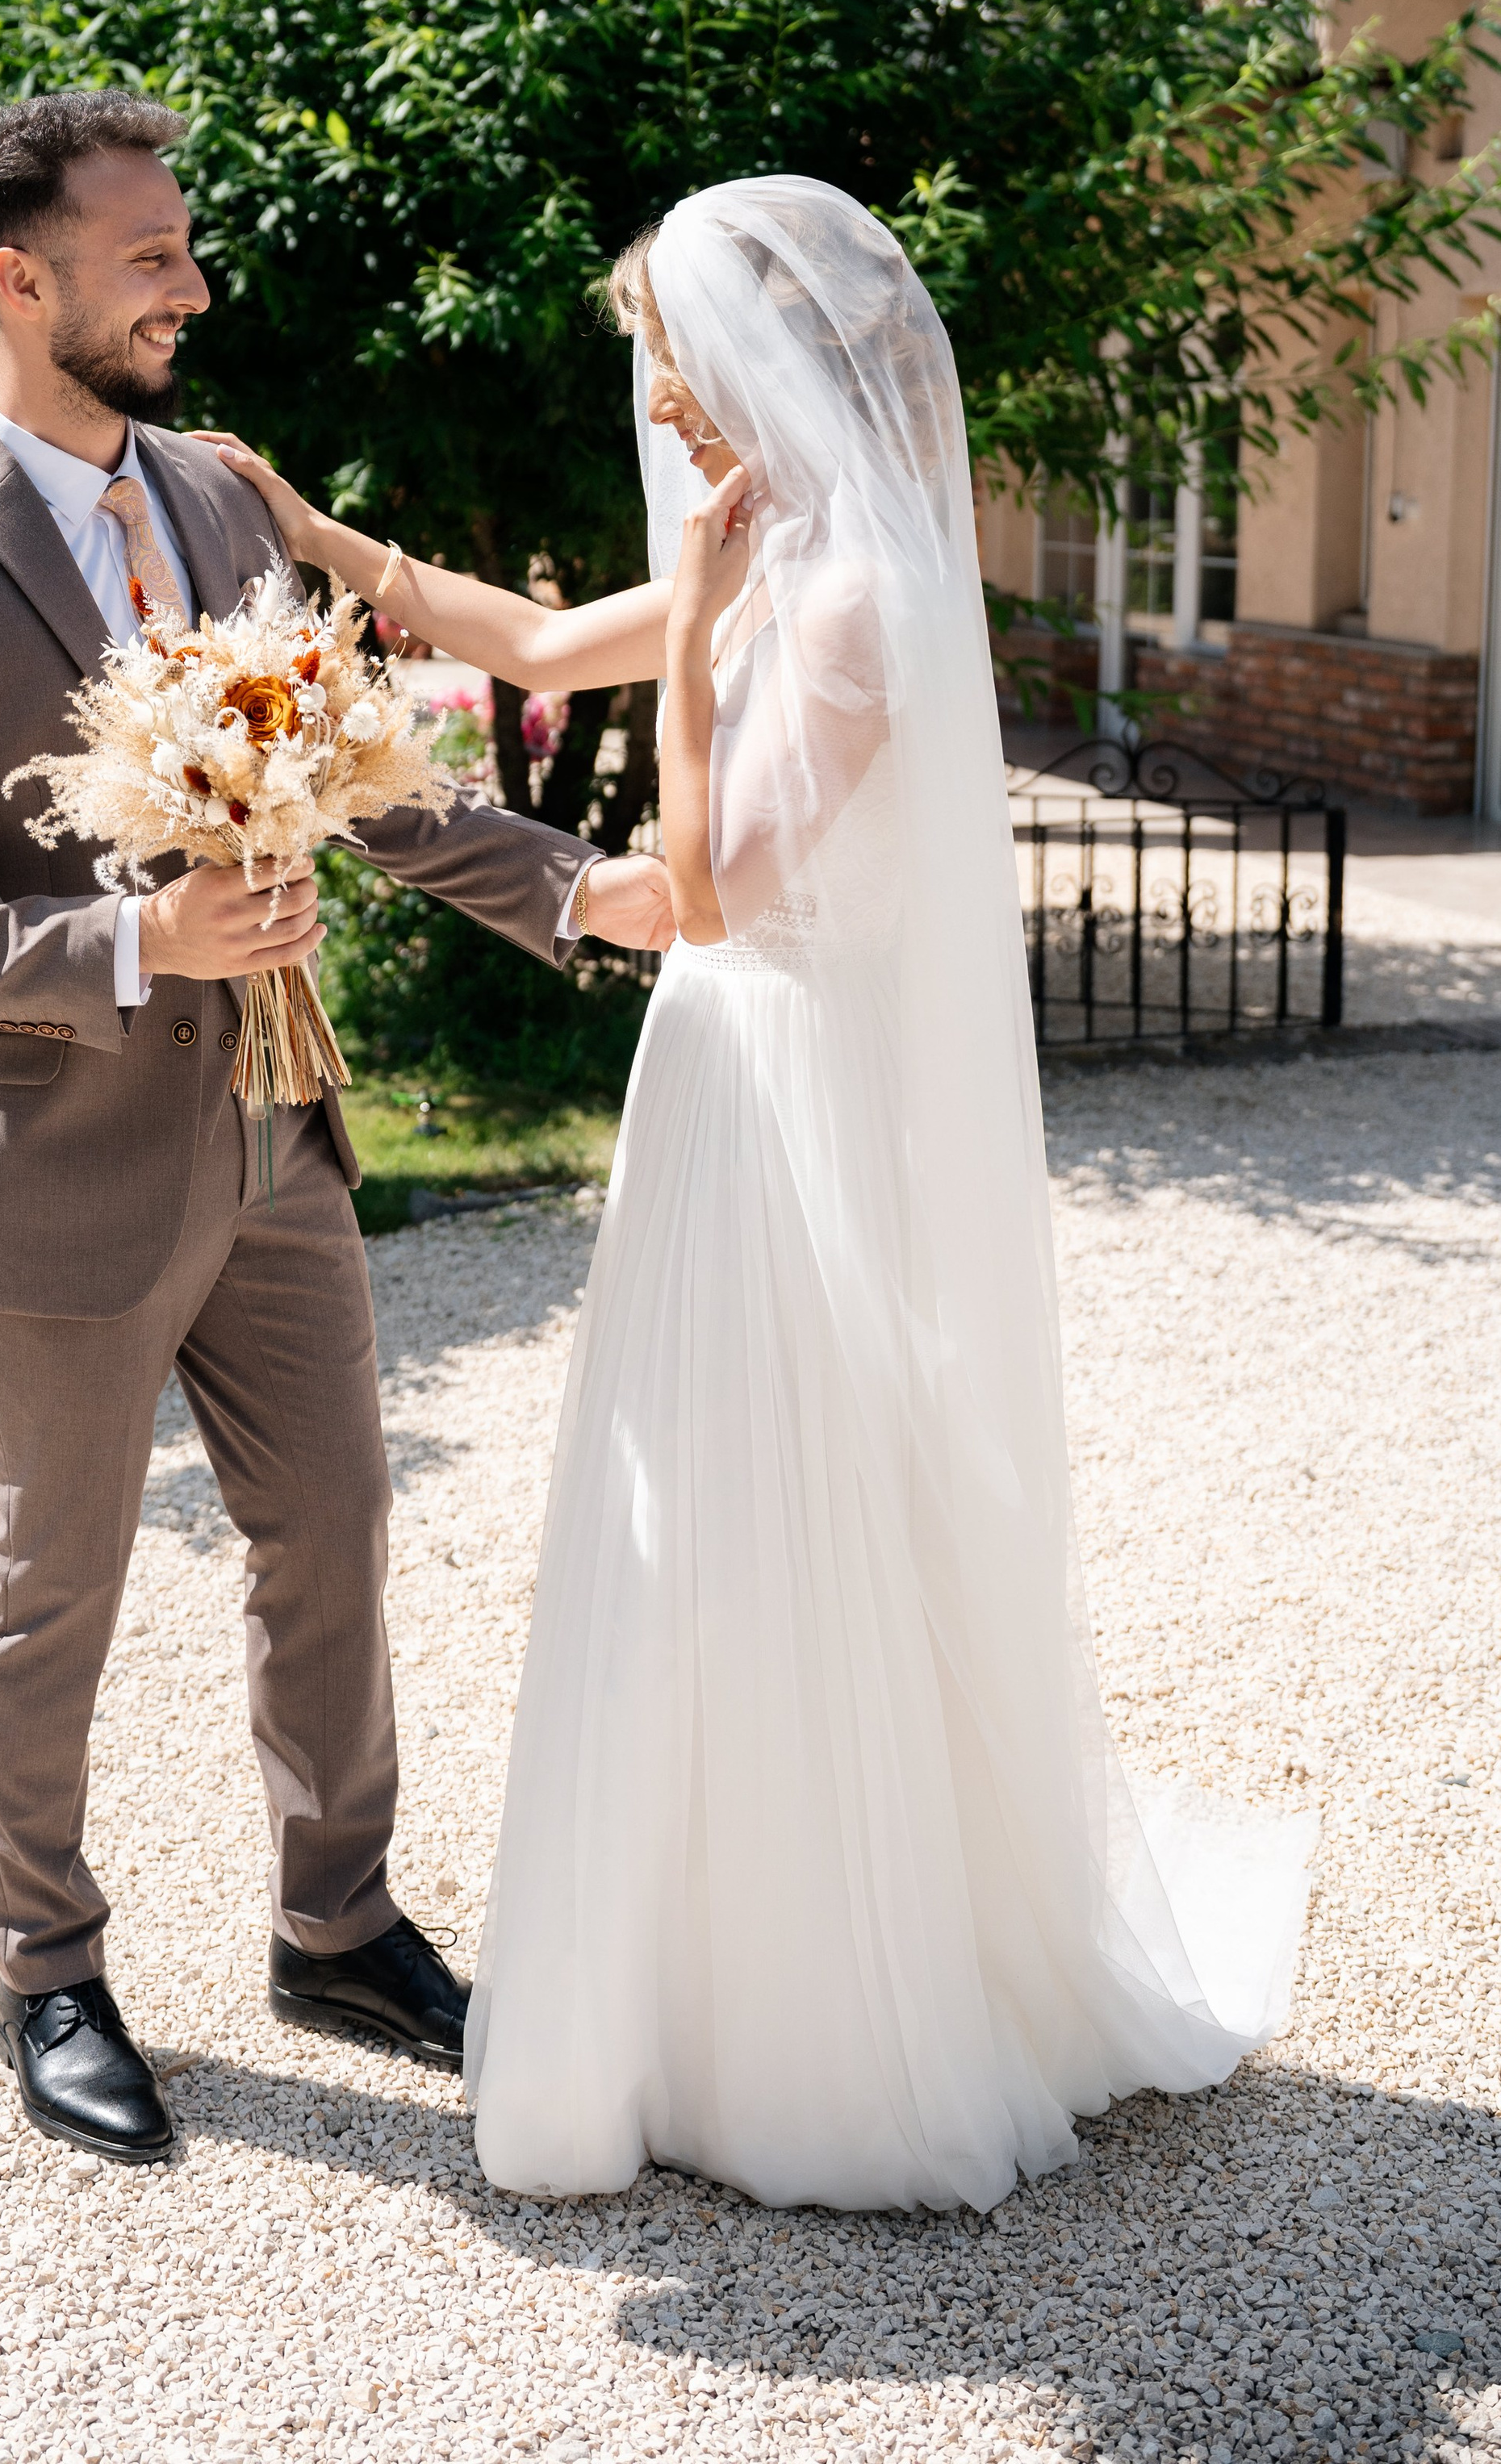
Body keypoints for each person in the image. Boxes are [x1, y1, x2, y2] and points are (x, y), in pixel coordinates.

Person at [211, 173, 1314, 2212]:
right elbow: (533, 637)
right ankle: (676, 1985)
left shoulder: (851, 594)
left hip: (786, 1083)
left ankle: (832, 2016)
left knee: (774, 1495)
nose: (657, 398)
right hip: (712, 1076)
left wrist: (669, 665)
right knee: (676, 1507)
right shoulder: (772, 539)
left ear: (760, 365)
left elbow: (710, 891)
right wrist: (315, 542)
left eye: (669, 356)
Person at [0, 90, 675, 2170]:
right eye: (147, 254)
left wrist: (574, 891)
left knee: (335, 1538)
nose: (190, 283)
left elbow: (371, 777)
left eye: (183, 245)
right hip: (50, 1168)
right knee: (52, 1584)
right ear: (22, 280)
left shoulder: (221, 500)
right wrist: (129, 937)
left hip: (277, 1129)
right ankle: (48, 1970)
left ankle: (337, 1923)